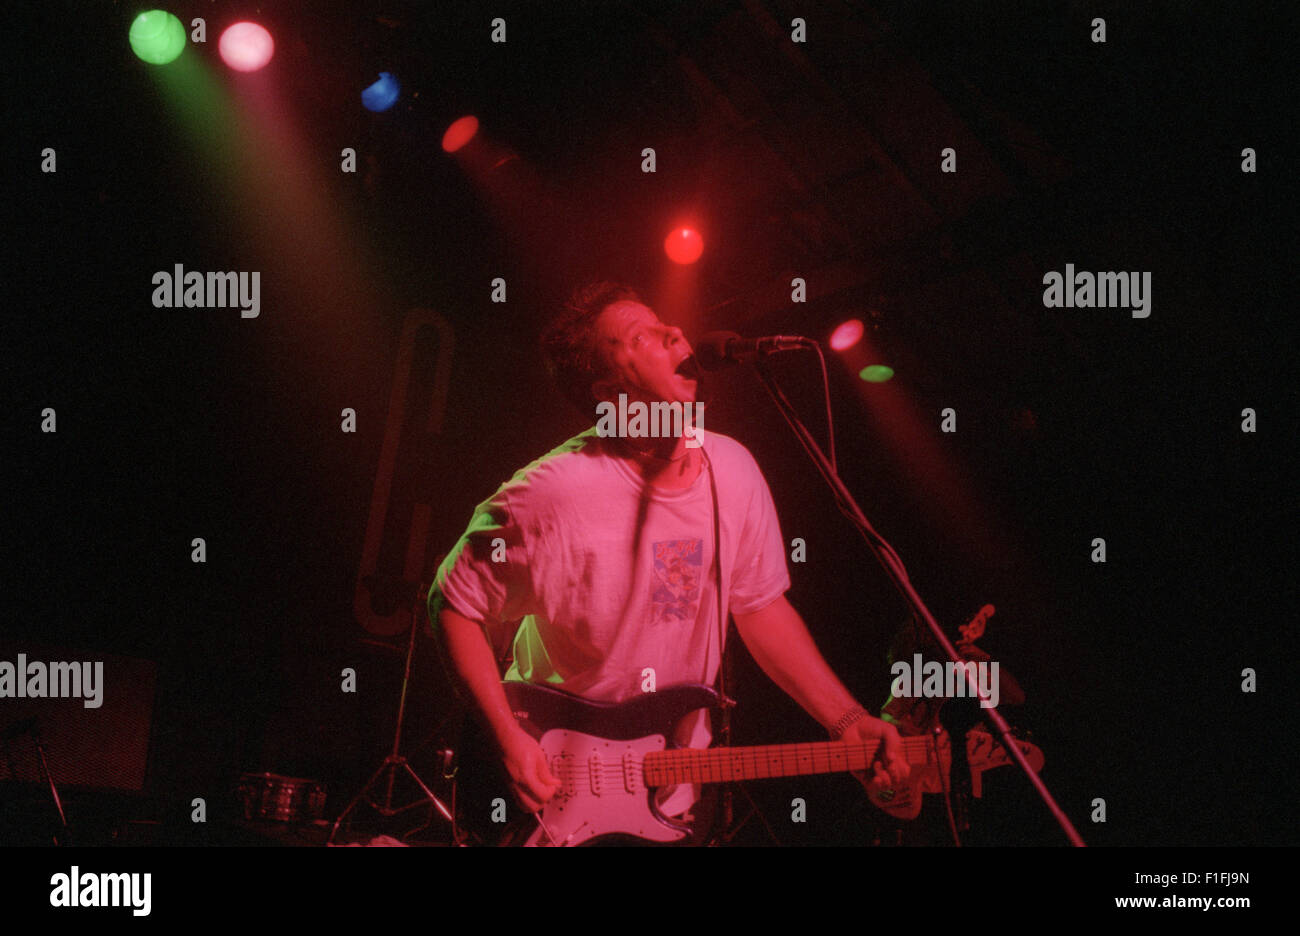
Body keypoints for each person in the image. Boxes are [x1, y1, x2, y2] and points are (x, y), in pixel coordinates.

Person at [428, 281, 907, 834]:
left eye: (665, 324)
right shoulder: (552, 493)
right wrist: (506, 737)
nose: (675, 332)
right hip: (552, 780)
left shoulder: (734, 470)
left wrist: (847, 721)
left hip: (669, 793)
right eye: (642, 337)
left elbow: (759, 608)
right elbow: (451, 602)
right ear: (612, 393)